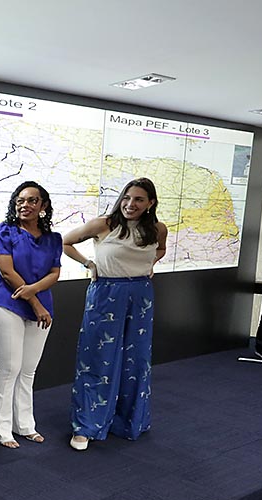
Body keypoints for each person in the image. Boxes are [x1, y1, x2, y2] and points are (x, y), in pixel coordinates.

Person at [62, 177, 168, 451]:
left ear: (150, 203)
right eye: (127, 198)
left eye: (139, 199)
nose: (130, 204)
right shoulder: (104, 224)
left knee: (136, 360)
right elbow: (65, 242)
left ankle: (128, 420)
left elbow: (160, 249)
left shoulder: (157, 229)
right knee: (97, 358)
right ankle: (86, 426)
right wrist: (89, 263)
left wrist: (148, 265)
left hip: (141, 295)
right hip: (106, 293)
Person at [0, 181, 62, 448]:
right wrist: (34, 301)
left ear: (43, 206)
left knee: (28, 371)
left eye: (31, 200)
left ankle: (25, 425)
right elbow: (7, 272)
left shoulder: (53, 239)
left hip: (41, 308)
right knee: (9, 368)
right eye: (20, 200)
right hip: (8, 305)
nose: (24, 205)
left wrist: (34, 291)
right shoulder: (5, 231)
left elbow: (55, 273)